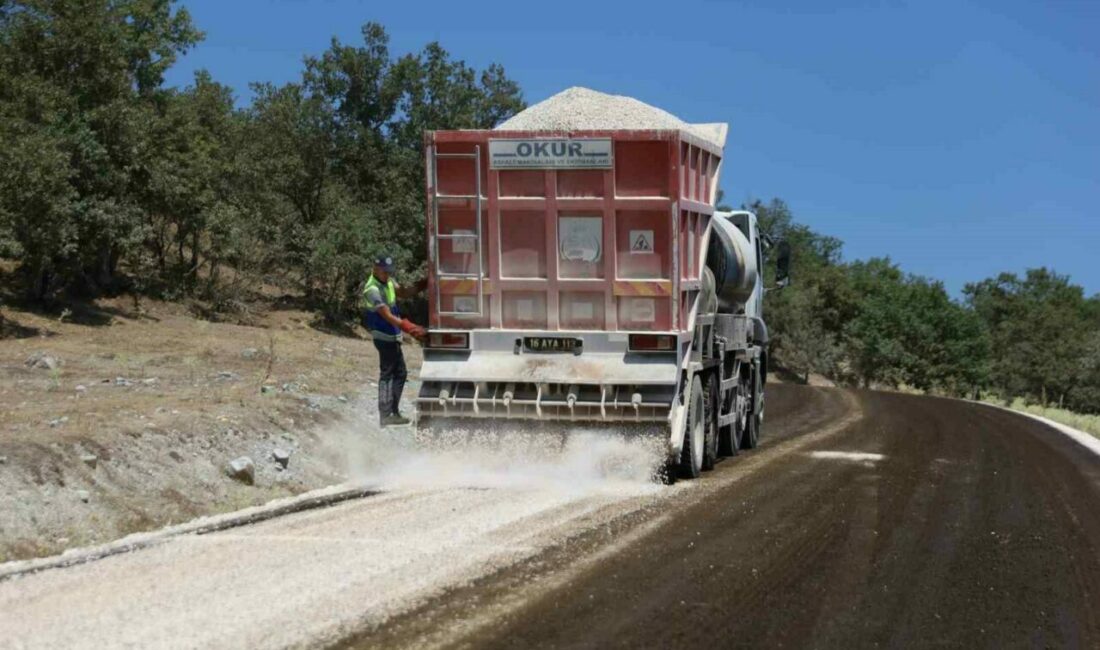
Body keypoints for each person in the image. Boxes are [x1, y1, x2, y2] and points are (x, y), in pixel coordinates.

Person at [361, 256, 427, 426]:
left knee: (400, 373)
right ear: (375, 269)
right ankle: (386, 414)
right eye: (385, 272)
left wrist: (424, 283)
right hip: (384, 337)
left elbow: (403, 292)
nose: (387, 275)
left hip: (392, 336)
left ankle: (393, 412)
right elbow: (386, 315)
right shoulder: (372, 289)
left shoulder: (388, 281)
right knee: (387, 375)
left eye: (390, 272)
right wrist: (410, 327)